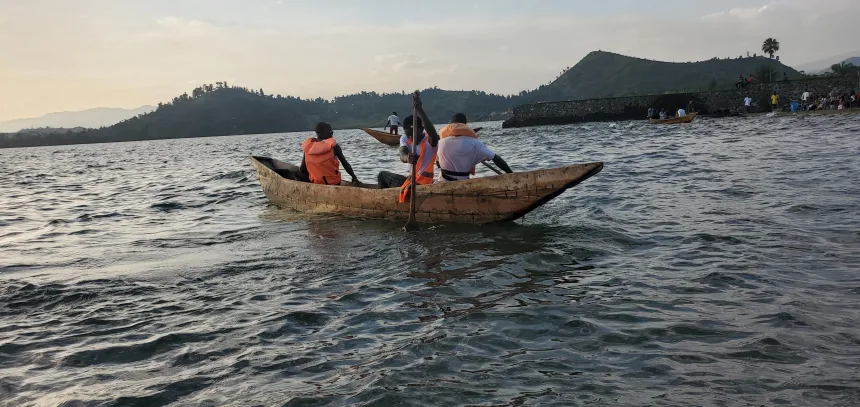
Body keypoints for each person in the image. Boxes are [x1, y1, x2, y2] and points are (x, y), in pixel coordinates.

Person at [436, 110, 513, 182]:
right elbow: (497, 159)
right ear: (465, 124)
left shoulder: (441, 143)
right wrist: (511, 174)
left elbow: (438, 164)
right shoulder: (475, 143)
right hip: (462, 182)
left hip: (442, 181)